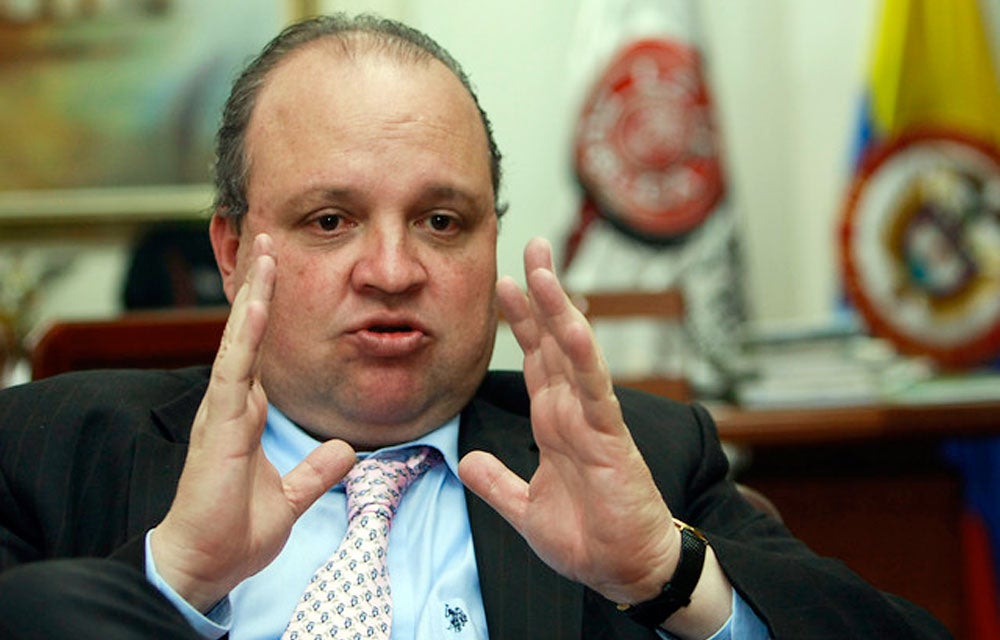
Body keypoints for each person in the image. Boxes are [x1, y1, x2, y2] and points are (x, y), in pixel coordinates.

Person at [0, 13, 950, 640]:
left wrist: (667, 577)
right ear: (234, 249)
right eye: (329, 220)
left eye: (441, 221)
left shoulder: (640, 460)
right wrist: (172, 578)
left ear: (494, 237)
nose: (392, 270)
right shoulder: (52, 450)